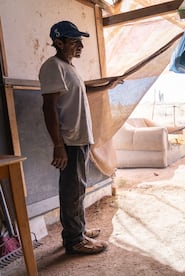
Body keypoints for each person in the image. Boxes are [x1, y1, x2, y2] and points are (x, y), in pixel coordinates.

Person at [39, 20, 119, 255]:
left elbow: (81, 92)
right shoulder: (53, 66)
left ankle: (78, 231)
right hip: (69, 142)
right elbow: (49, 108)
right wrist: (58, 145)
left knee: (77, 189)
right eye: (74, 41)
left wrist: (107, 86)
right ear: (58, 42)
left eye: (80, 41)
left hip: (80, 139)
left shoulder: (69, 67)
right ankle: (75, 241)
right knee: (72, 191)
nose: (80, 45)